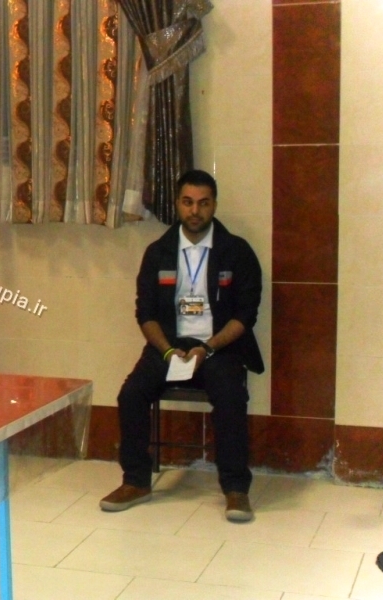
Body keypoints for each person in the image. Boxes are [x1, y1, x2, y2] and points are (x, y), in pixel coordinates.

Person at [100, 169, 264, 523]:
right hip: (169, 347)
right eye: (188, 202)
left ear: (214, 205)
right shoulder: (158, 252)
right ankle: (135, 482)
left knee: (231, 397)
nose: (195, 211)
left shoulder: (236, 252)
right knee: (131, 395)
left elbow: (245, 315)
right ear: (177, 204)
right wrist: (167, 351)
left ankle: (236, 489)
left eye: (203, 203)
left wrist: (209, 347)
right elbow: (145, 314)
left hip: (217, 348)